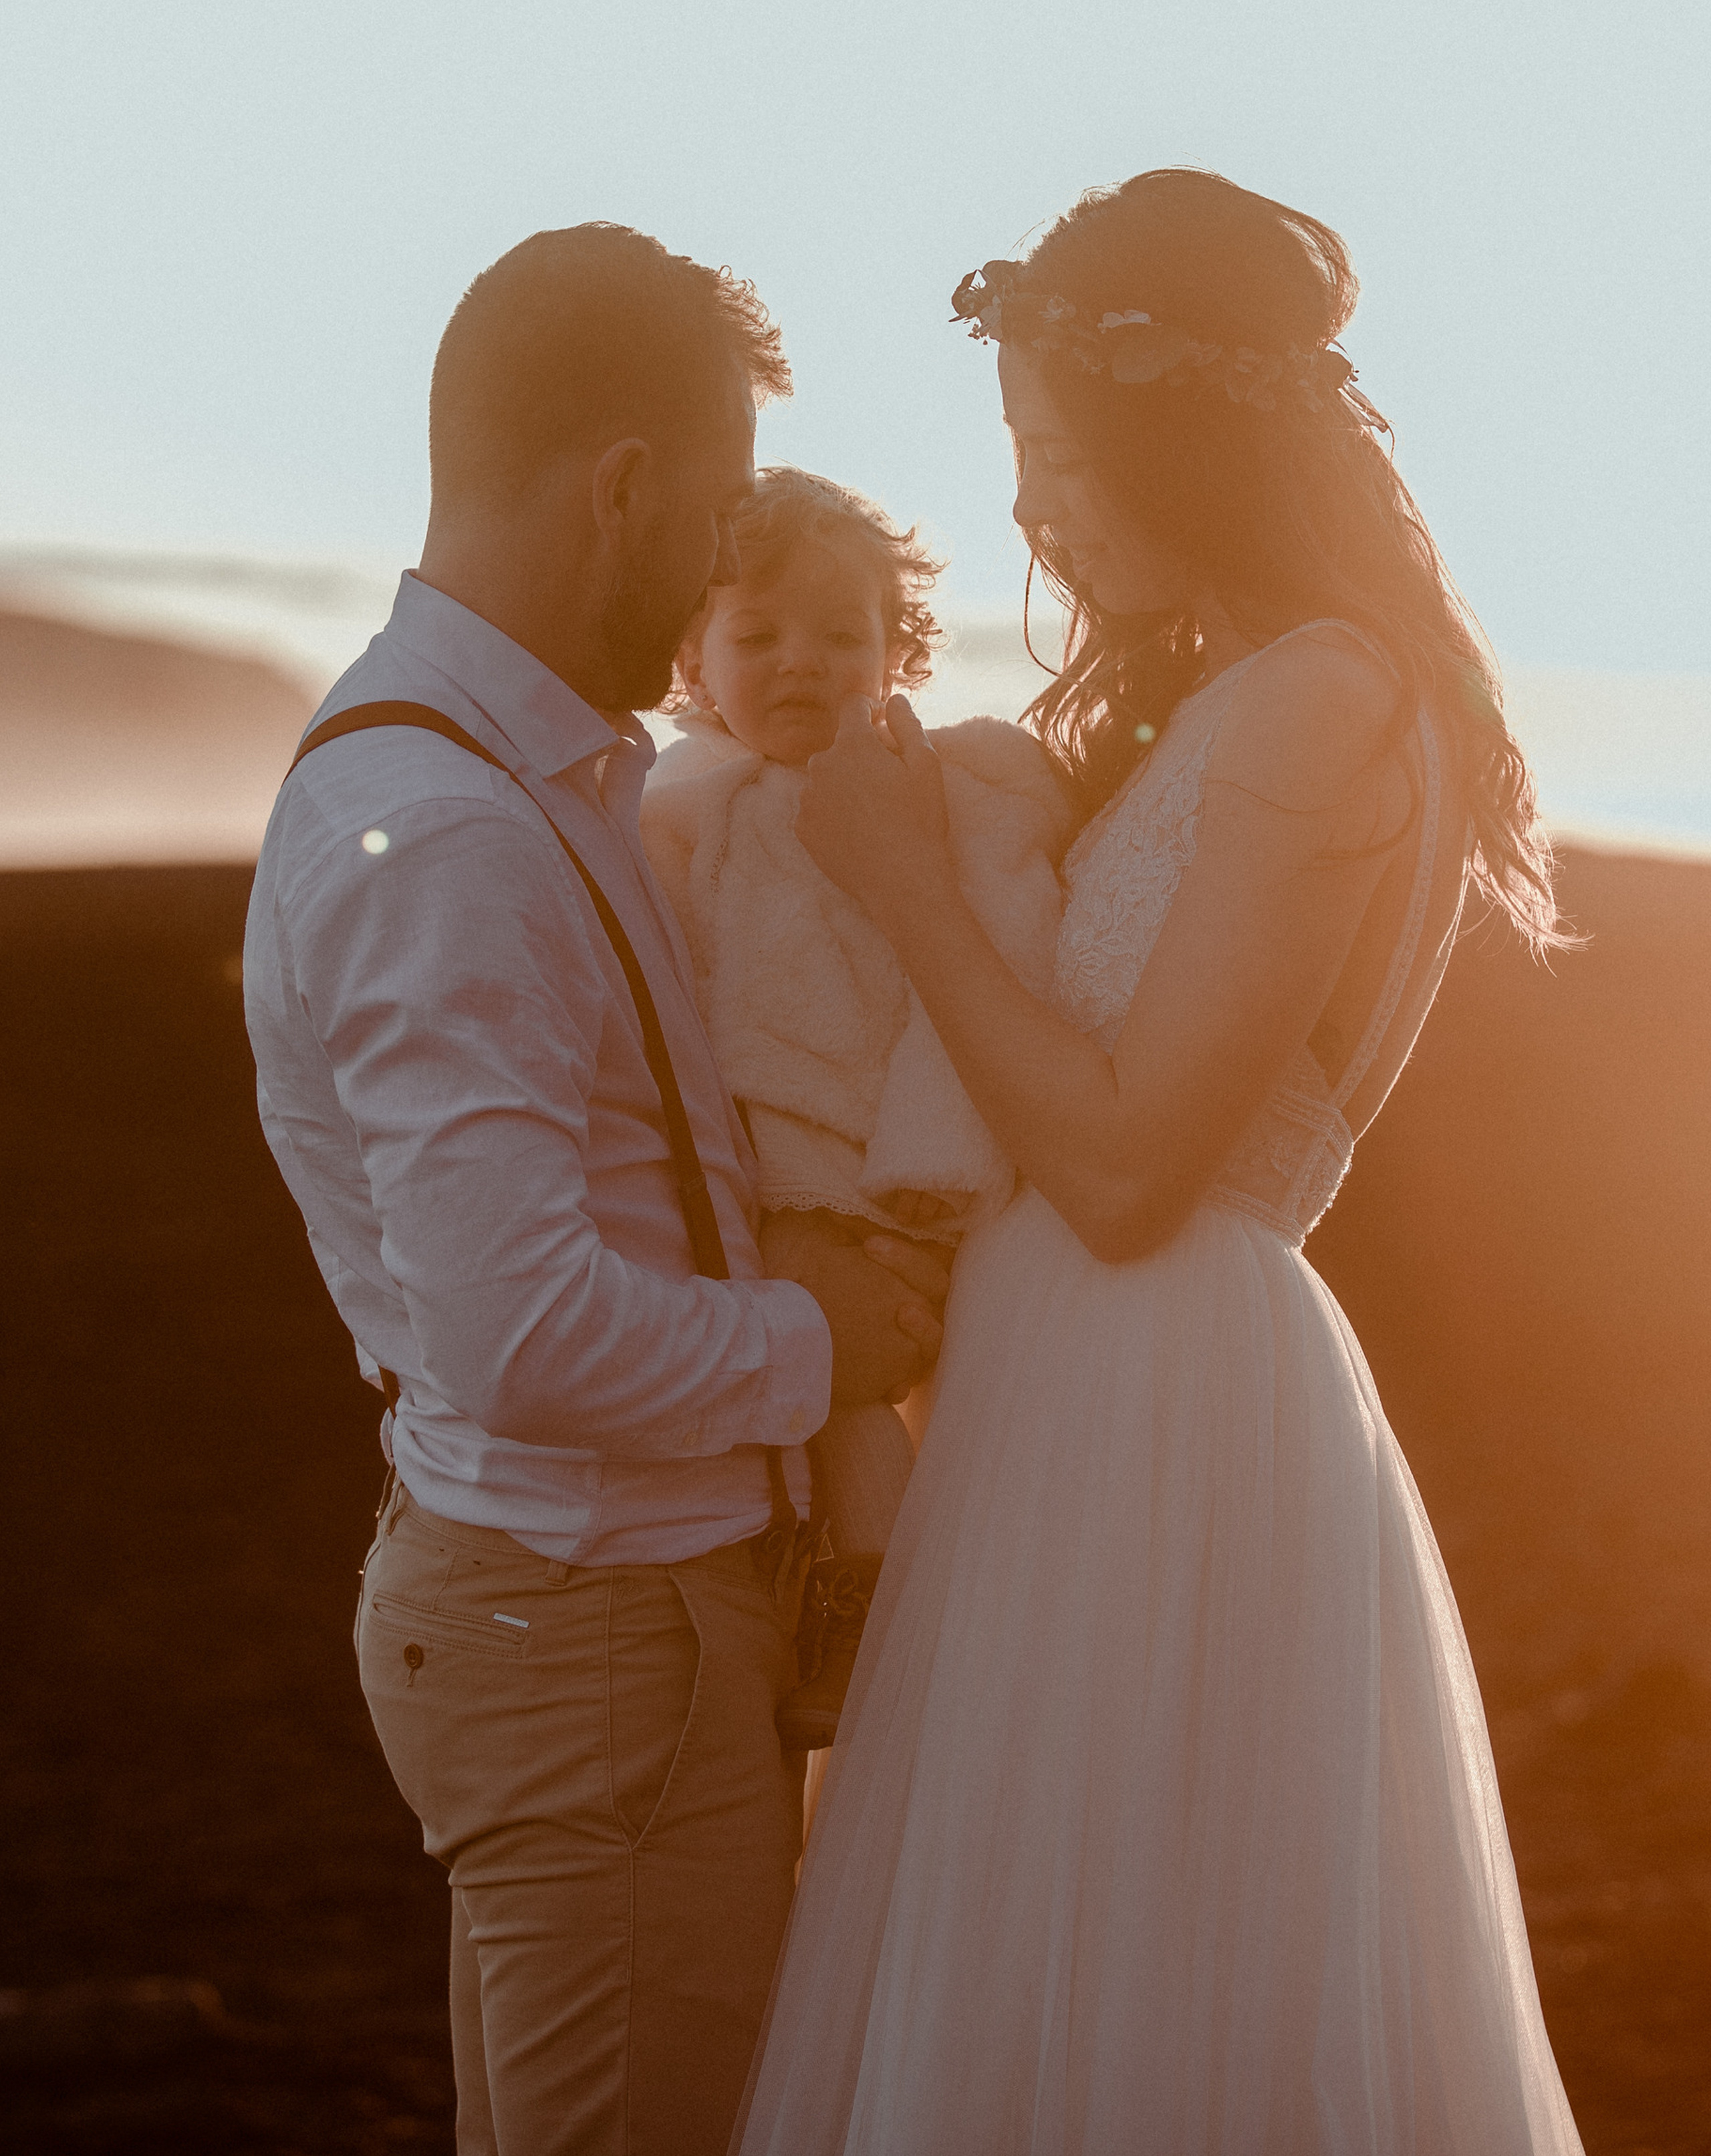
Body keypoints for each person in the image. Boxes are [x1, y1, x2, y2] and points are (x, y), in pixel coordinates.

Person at [733, 169, 1586, 2154]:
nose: (1036, 506)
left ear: (1178, 433)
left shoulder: (1322, 698)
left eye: (1059, 450)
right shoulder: (1250, 689)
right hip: (1080, 1388)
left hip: (1159, 1395)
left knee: (1122, 1988)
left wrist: (906, 890)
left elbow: (1128, 1168)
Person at [242, 224, 950, 2156]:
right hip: (597, 1631)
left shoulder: (531, 774)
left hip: (580, 1621)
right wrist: (831, 1334)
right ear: (626, 489)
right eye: (714, 513)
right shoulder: (453, 832)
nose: (728, 565)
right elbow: (524, 1329)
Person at [640, 465, 1072, 1743]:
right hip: (774, 1162)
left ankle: (874, 1607)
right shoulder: (683, 815)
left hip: (900, 1155)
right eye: (757, 636)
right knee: (829, 1394)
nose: (801, 665)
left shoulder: (939, 791)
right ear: (696, 659)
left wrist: (933, 1164)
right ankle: (864, 1596)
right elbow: (673, 995)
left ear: (899, 652)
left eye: (844, 636)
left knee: (861, 1384)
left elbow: (998, 946)